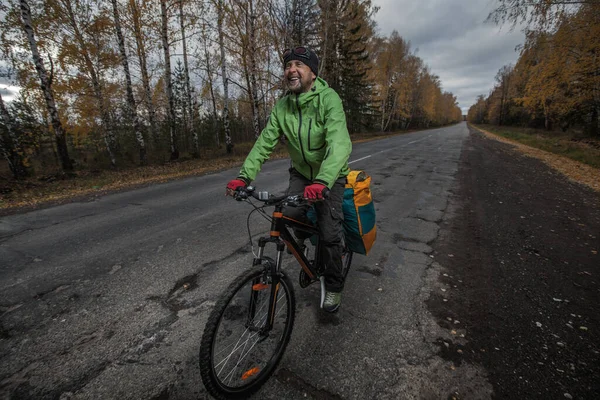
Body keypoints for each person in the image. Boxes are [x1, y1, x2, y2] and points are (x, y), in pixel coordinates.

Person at [226, 46, 352, 313]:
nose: (291, 69)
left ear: (312, 73)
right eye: (287, 65)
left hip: (330, 176)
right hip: (301, 174)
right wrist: (243, 176)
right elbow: (264, 144)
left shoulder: (329, 99)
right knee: (291, 216)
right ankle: (312, 252)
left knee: (329, 234)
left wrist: (323, 181)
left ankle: (333, 285)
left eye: (298, 64)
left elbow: (339, 143)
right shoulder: (283, 106)